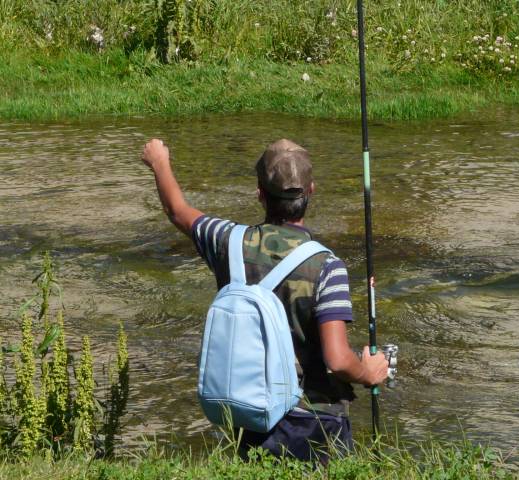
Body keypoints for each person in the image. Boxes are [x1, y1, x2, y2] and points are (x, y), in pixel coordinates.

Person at [141, 137, 388, 461]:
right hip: (314, 421)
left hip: (248, 411)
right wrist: (368, 372)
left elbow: (177, 211)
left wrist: (159, 161)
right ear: (311, 191)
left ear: (260, 193)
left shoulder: (227, 242)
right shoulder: (328, 266)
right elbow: (338, 360)